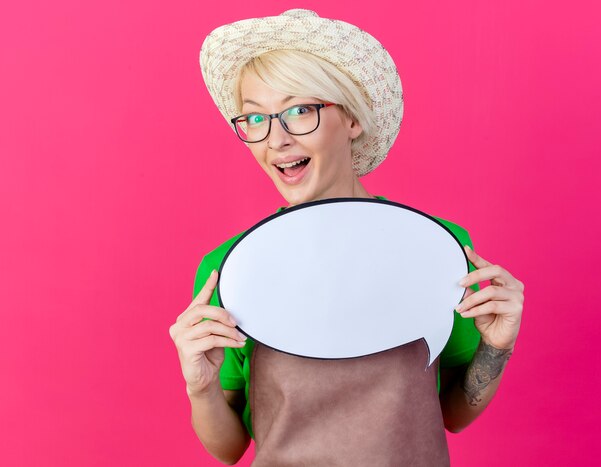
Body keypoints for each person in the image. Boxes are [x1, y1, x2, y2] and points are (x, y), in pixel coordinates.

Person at [169, 9, 525, 466]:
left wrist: (497, 347)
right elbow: (229, 446)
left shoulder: (435, 247)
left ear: (353, 120)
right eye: (255, 119)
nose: (275, 139)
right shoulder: (232, 265)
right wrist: (199, 386)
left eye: (300, 111)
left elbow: (452, 415)